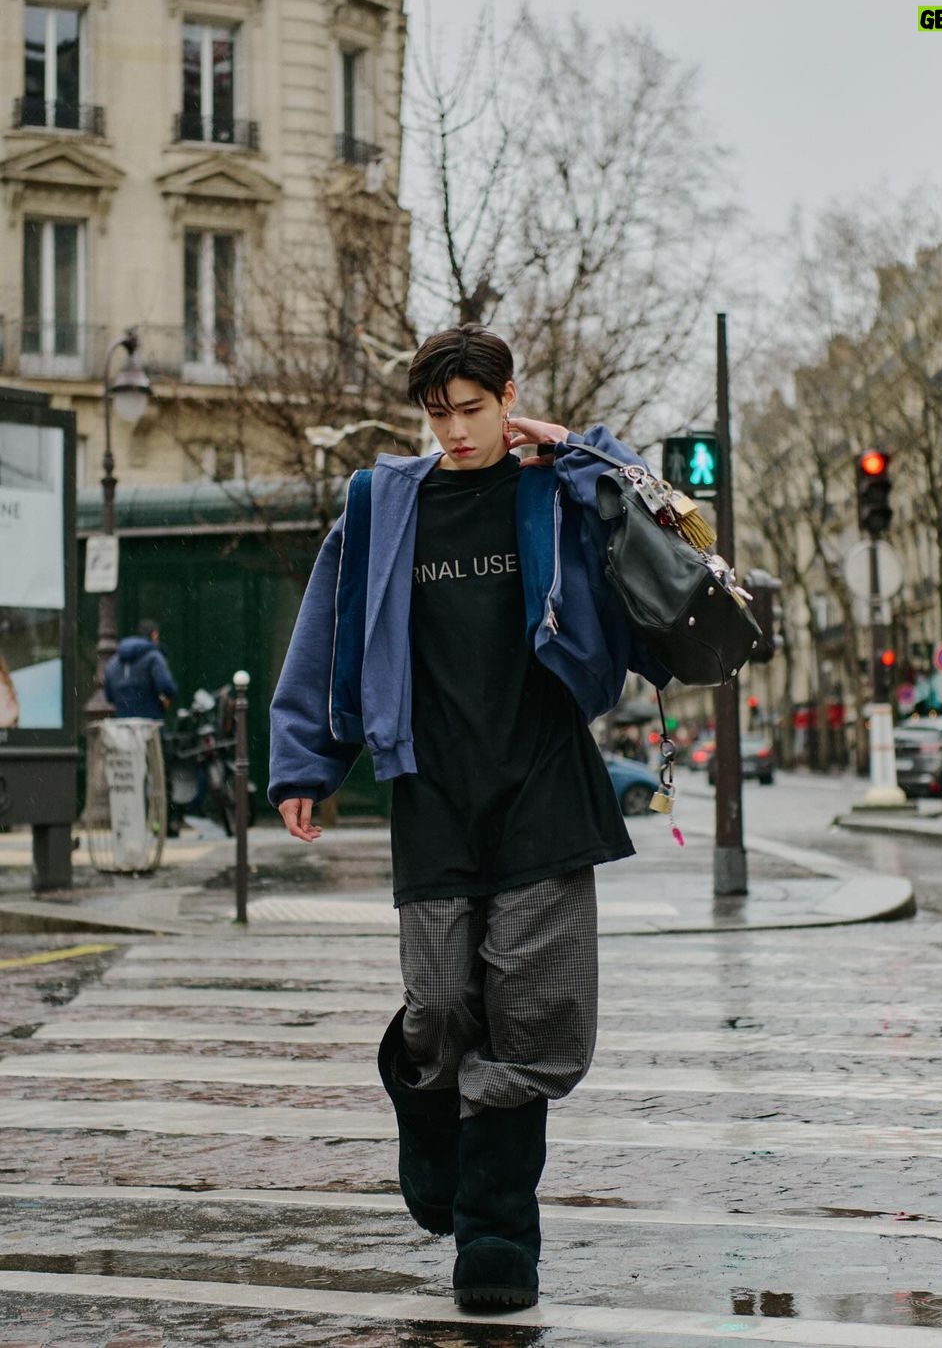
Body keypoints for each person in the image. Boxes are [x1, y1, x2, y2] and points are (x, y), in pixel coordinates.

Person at [268, 324, 669, 1311]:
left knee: (532, 1019)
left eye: (473, 410)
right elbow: (326, 631)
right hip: (433, 787)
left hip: (544, 781)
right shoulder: (382, 504)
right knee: (441, 1002)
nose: (454, 431)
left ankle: (496, 1239)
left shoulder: (558, 489)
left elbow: (665, 529)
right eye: (438, 414)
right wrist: (305, 763)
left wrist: (579, 448)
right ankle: (428, 1116)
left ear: (509, 399)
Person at [103, 619, 177, 720]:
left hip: (123, 722)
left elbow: (109, 696)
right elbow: (166, 686)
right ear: (154, 635)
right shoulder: (154, 657)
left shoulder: (113, 661)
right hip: (150, 721)